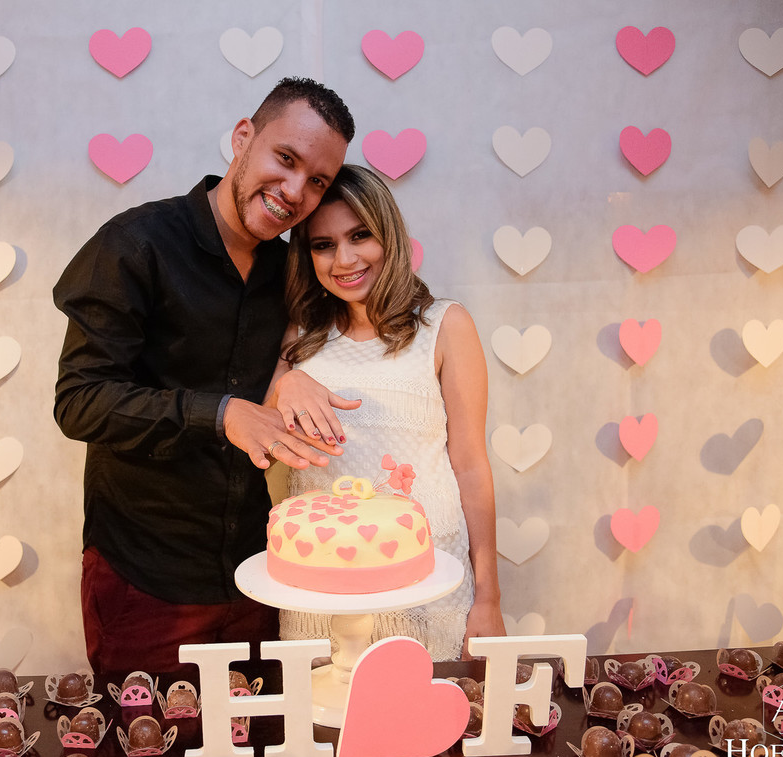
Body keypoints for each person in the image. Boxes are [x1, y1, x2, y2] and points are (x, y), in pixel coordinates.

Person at [52, 78, 356, 674]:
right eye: (285, 158)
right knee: (147, 735)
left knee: (266, 736)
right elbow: (80, 401)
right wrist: (222, 414)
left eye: (317, 181)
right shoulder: (135, 245)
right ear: (243, 138)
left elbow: (332, 334)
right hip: (146, 576)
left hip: (257, 576)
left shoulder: (294, 266)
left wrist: (290, 372)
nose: (295, 191)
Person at [267, 164, 506, 660]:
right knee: (327, 708)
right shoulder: (300, 336)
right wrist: (287, 383)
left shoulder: (444, 325)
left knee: (427, 706)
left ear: (389, 235)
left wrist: (489, 598)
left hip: (428, 579)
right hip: (324, 588)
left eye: (360, 236)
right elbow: (265, 450)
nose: (345, 259)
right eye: (324, 244)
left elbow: (470, 466)